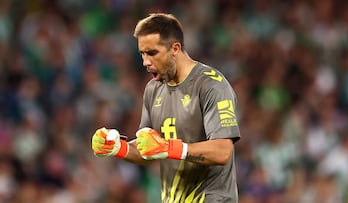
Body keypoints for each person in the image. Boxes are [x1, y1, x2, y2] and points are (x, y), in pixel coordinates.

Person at [91, 13, 241, 203]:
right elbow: (148, 149)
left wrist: (170, 148)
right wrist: (117, 147)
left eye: (152, 53)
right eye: (142, 54)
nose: (145, 62)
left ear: (175, 49)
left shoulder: (212, 86)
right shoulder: (153, 89)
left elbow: (223, 151)